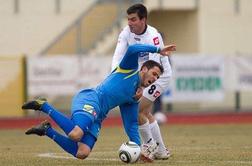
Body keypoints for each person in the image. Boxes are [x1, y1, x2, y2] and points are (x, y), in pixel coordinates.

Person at [22, 44, 176, 161]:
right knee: (76, 134)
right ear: (143, 69)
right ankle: (44, 105)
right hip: (90, 99)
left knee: (82, 153)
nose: (155, 79)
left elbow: (131, 125)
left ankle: (47, 130)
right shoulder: (129, 69)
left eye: (157, 78)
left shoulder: (133, 98)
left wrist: (137, 148)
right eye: (154, 74)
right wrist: (157, 49)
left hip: (99, 116)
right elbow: (133, 48)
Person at [111, 4, 173, 160]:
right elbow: (117, 58)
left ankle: (149, 146)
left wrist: (139, 87)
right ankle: (161, 150)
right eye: (128, 19)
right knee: (144, 112)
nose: (130, 23)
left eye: (133, 19)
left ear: (143, 19)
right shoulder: (126, 33)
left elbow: (152, 69)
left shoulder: (154, 36)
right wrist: (114, 77)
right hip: (142, 76)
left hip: (159, 76)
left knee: (137, 110)